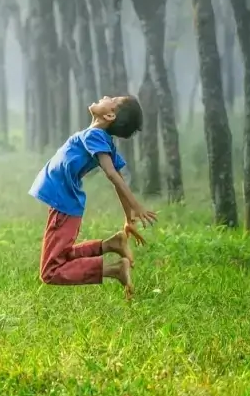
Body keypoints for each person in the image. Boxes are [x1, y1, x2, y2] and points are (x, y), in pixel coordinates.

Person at [28, 95, 157, 299]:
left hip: (64, 204)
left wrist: (136, 206)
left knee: (50, 271)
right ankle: (110, 245)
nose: (105, 96)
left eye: (112, 99)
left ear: (109, 114)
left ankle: (114, 270)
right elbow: (118, 176)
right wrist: (128, 218)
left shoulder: (95, 136)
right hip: (64, 203)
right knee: (62, 256)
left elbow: (113, 175)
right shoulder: (99, 138)